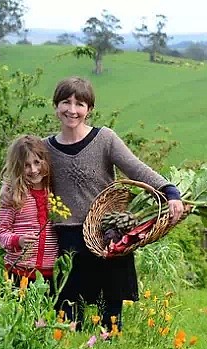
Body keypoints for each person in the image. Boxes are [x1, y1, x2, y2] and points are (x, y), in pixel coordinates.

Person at [46, 76, 185, 331]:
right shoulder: (45, 148)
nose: (72, 110)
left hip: (107, 235)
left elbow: (136, 168)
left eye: (80, 104)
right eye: (66, 102)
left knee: (109, 316)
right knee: (66, 317)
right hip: (67, 237)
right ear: (56, 106)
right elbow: (25, 182)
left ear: (90, 110)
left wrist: (169, 191)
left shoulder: (105, 139)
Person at [0, 135, 58, 286]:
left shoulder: (54, 191)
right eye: (26, 165)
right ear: (18, 167)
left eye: (37, 162)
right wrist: (18, 240)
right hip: (19, 271)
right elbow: (1, 233)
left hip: (51, 272)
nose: (34, 170)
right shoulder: (14, 195)